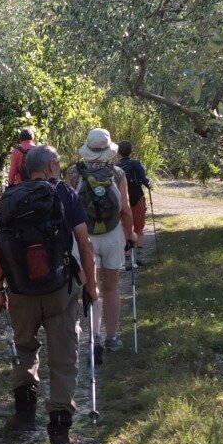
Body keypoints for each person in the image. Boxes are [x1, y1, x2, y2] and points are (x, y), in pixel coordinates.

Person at [0, 144, 98, 444]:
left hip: (20, 291)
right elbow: (84, 243)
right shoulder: (66, 195)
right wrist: (91, 285)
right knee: (64, 358)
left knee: (24, 350)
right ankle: (60, 434)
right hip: (59, 289)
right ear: (51, 165)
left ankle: (25, 415)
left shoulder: (9, 199)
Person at [64, 128, 135, 357]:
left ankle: (94, 337)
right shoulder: (117, 173)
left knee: (91, 287)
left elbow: (69, 209)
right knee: (112, 288)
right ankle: (112, 337)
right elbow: (125, 209)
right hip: (113, 235)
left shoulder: (74, 173)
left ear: (87, 149)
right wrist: (130, 234)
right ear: (108, 149)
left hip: (86, 237)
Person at [116, 139, 154, 266]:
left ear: (118, 152)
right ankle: (140, 256)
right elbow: (144, 180)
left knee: (126, 229)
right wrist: (149, 185)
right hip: (137, 198)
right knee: (139, 228)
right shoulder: (136, 163)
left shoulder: (116, 167)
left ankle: (127, 260)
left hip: (122, 201)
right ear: (130, 151)